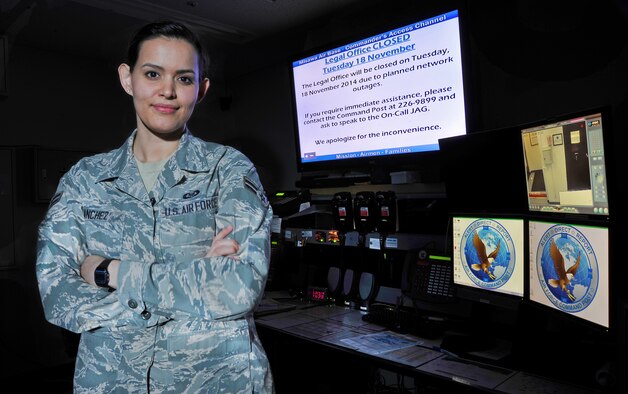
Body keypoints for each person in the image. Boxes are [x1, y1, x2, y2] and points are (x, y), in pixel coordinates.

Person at [36, 20, 274, 393]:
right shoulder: (85, 180)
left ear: (203, 88)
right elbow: (55, 291)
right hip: (112, 382)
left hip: (215, 380)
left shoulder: (227, 169)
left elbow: (238, 287)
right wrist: (193, 281)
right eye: (152, 74)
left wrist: (106, 271)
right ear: (127, 78)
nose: (167, 91)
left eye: (184, 79)